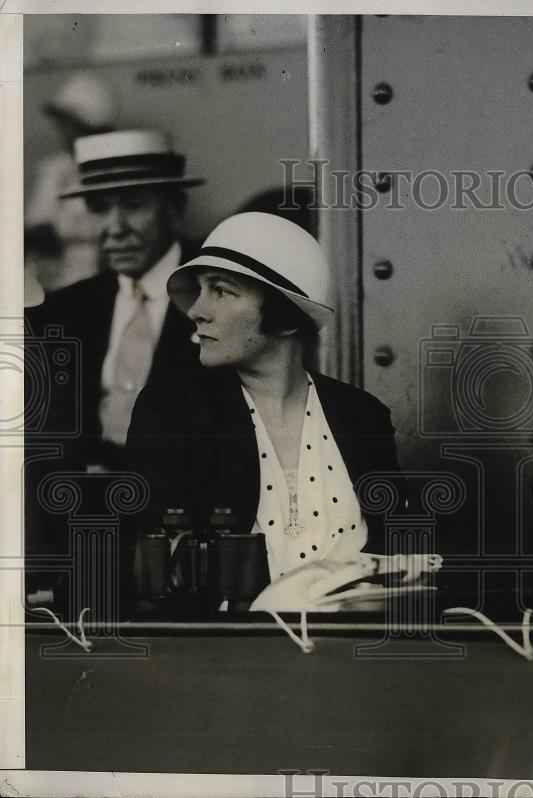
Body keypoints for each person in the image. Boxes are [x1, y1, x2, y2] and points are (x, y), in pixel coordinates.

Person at [126, 212, 405, 584]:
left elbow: (400, 558)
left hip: (350, 640)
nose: (195, 311)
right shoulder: (173, 410)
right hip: (232, 643)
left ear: (286, 318)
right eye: (200, 289)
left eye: (221, 291)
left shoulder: (362, 417)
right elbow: (156, 565)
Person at [26, 129, 205, 470]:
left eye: (135, 205)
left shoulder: (214, 297)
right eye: (99, 208)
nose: (115, 227)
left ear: (174, 210)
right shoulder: (62, 311)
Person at [25, 73, 118, 291]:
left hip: (99, 274)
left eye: (71, 125)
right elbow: (37, 225)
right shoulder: (55, 168)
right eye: (62, 125)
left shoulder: (114, 169)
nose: (64, 132)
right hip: (53, 274)